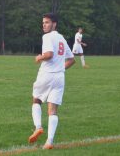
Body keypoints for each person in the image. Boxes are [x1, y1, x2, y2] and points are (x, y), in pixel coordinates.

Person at [28, 13, 75, 149]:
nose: (44, 25)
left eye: (47, 22)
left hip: (46, 75)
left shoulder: (47, 36)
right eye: (43, 22)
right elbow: (72, 60)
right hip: (59, 77)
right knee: (52, 111)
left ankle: (38, 127)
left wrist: (39, 58)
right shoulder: (61, 38)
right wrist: (61, 69)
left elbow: (49, 55)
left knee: (36, 100)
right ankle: (49, 141)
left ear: (54, 24)